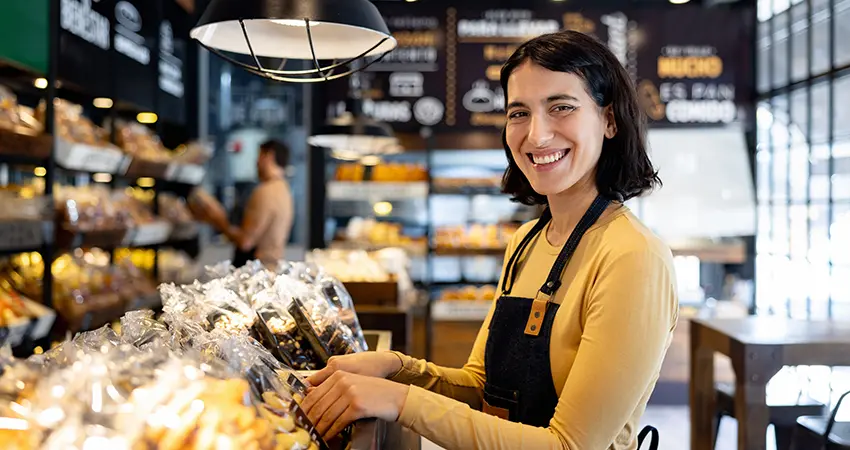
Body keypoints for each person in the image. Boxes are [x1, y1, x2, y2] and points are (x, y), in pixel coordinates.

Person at [301, 30, 678, 450]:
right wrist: (395, 368)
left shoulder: (632, 255)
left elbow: (569, 445)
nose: (536, 135)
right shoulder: (527, 240)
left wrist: (400, 399)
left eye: (562, 107)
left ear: (609, 120)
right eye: (519, 113)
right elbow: (481, 387)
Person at [208, 139, 294, 267]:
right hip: (271, 269)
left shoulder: (266, 191)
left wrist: (217, 219)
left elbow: (245, 242)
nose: (256, 163)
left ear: (269, 156)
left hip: (256, 272)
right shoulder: (284, 190)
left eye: (259, 156)